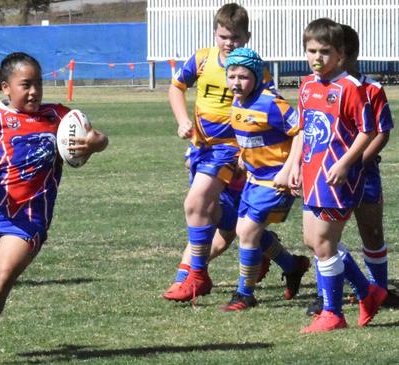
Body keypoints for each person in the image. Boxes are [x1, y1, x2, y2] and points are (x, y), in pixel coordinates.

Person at [0, 52, 108, 365]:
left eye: (38, 84)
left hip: (29, 219)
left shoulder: (58, 117)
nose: (34, 91)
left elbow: (99, 137)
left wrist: (94, 143)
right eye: (26, 85)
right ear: (6, 88)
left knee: (0, 278)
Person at [164, 2, 309, 303]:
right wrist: (183, 121)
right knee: (231, 223)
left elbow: (272, 111)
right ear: (215, 34)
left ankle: (193, 279)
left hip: (232, 152)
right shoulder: (202, 60)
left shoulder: (256, 71)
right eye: (223, 37)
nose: (229, 43)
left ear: (247, 37)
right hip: (201, 150)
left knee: (197, 202)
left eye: (236, 38)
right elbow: (176, 87)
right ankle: (291, 264)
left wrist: (281, 161)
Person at [288, 18, 386, 333]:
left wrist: (345, 163)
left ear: (340, 55)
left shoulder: (350, 88)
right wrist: (294, 167)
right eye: (311, 51)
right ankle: (367, 291)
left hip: (338, 178)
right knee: (312, 240)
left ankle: (333, 313)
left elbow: (367, 130)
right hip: (313, 175)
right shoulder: (306, 86)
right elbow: (304, 130)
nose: (317, 57)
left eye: (325, 51)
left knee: (324, 242)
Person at [305, 24, 396, 316]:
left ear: (349, 54)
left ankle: (378, 288)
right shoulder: (315, 86)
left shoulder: (370, 89)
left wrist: (357, 163)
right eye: (314, 51)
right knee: (321, 237)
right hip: (329, 173)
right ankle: (326, 296)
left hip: (362, 171)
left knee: (370, 231)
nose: (322, 59)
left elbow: (380, 132)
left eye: (331, 53)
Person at [220, 47, 307, 311]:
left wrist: (290, 168)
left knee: (246, 232)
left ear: (257, 77)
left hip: (275, 180)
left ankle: (245, 294)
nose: (236, 82)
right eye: (231, 76)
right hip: (254, 178)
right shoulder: (237, 102)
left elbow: (300, 132)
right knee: (246, 231)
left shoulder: (271, 102)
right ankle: (293, 266)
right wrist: (242, 159)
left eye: (243, 77)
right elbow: (250, 134)